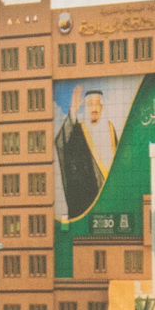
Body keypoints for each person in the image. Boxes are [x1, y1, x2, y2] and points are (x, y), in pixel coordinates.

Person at [55, 87, 117, 218]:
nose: (94, 108)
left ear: (102, 107)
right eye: (90, 104)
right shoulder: (78, 131)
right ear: (86, 108)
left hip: (110, 197)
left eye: (97, 104)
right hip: (87, 200)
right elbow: (61, 142)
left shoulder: (110, 130)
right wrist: (73, 112)